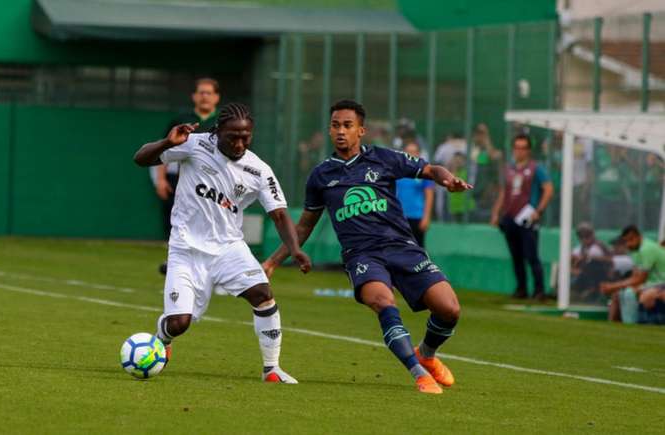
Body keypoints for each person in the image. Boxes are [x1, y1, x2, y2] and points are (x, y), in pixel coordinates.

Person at [263, 100, 473, 394]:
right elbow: (304, 225)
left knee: (449, 309)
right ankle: (418, 374)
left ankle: (426, 354)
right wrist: (273, 261)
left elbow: (430, 169)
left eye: (347, 125)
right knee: (383, 302)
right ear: (329, 129)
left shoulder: (383, 158)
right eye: (335, 125)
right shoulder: (321, 175)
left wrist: (448, 180)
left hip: (402, 247)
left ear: (361, 130)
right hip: (362, 255)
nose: (341, 131)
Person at [133, 102, 311, 383]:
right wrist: (167, 142)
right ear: (217, 132)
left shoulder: (259, 170)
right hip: (185, 249)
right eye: (233, 137)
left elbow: (279, 214)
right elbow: (141, 159)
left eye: (245, 137)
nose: (239, 143)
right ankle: (162, 338)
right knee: (179, 324)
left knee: (262, 294)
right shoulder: (193, 145)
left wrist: (296, 249)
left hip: (229, 248)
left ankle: (271, 369)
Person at [152, 78, 220, 274]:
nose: (204, 96)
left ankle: (213, 268)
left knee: (209, 224)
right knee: (177, 220)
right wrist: (161, 179)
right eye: (201, 92)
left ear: (216, 97)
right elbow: (163, 149)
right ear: (194, 96)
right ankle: (175, 262)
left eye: (209, 92)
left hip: (212, 183)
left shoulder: (221, 122)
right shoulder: (182, 119)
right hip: (182, 180)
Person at [490, 134, 554, 300]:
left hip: (527, 217)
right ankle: (521, 288)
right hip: (510, 217)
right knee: (516, 256)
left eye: (523, 148)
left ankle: (539, 290)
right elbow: (504, 192)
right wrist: (496, 212)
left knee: (531, 256)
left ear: (529, 150)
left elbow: (548, 189)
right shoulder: (509, 169)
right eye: (517, 147)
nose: (519, 151)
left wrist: (538, 210)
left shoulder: (536, 168)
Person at [600, 226, 665, 324]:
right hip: (651, 283)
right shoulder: (635, 251)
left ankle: (632, 324)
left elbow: (641, 279)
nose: (628, 244)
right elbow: (635, 276)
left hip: (661, 283)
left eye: (631, 240)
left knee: (630, 293)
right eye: (626, 241)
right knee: (618, 293)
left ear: (638, 237)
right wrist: (615, 287)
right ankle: (611, 326)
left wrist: (613, 286)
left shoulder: (647, 249)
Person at [395, 141, 434, 248]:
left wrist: (426, 217)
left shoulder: (424, 173)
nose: (411, 154)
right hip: (399, 217)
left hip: (417, 216)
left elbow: (429, 195)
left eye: (414, 152)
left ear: (419, 154)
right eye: (408, 152)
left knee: (418, 249)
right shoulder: (397, 171)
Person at [571, 223, 612, 303]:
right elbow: (573, 263)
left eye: (587, 236)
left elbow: (610, 260)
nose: (584, 239)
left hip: (601, 275)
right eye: (581, 237)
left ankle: (591, 290)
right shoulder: (579, 249)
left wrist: (592, 257)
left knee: (593, 264)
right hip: (583, 276)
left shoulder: (599, 246)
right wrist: (574, 269)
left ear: (592, 235)